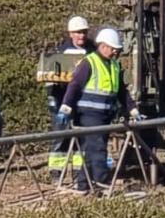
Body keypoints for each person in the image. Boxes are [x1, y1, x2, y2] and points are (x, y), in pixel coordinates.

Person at [56, 27, 143, 192]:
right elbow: (74, 86)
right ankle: (101, 183)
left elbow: (121, 92)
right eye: (113, 49)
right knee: (97, 150)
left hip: (104, 115)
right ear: (103, 46)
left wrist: (133, 110)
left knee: (90, 150)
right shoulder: (89, 62)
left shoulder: (114, 66)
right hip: (88, 115)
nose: (115, 52)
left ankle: (83, 184)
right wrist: (66, 109)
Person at [45, 16, 93, 181]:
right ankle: (56, 172)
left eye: (84, 32)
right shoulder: (60, 54)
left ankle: (79, 173)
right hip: (62, 102)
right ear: (70, 33)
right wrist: (53, 100)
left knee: (82, 139)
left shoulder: (92, 52)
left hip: (84, 103)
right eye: (78, 32)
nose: (82, 36)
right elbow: (50, 79)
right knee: (60, 138)